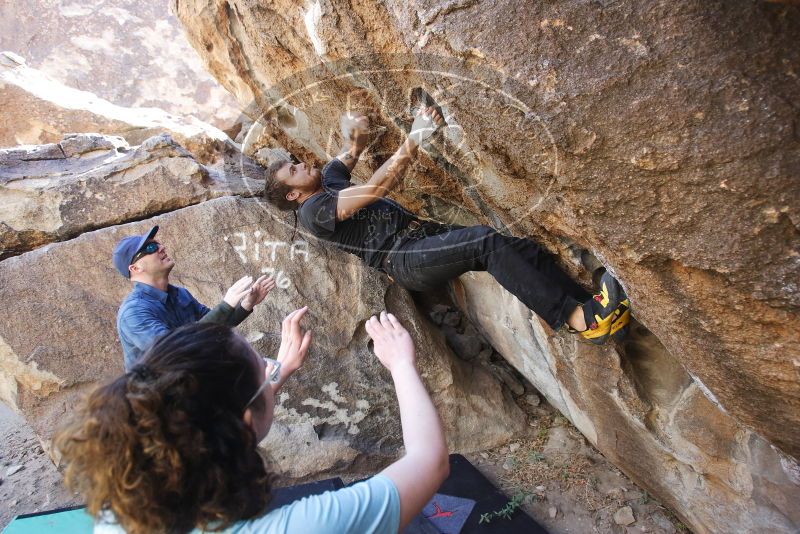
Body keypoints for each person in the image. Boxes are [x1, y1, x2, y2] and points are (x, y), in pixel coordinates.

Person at [55, 308, 449, 534]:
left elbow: (208, 416)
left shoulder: (119, 510)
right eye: (260, 363)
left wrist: (275, 374)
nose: (269, 364)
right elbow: (428, 460)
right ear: (243, 425)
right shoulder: (301, 528)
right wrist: (401, 364)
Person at [263, 109, 630, 344]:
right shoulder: (314, 212)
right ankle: (582, 320)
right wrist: (415, 136)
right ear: (294, 196)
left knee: (519, 248)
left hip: (419, 238)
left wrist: (355, 128)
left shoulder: (327, 179)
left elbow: (350, 151)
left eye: (294, 163)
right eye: (293, 171)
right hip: (402, 259)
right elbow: (376, 187)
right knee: (483, 242)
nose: (300, 165)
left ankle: (589, 308)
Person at [113, 225, 276, 370]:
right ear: (135, 268)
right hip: (160, 400)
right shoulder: (133, 312)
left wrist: (246, 305)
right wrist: (226, 305)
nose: (161, 247)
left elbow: (215, 327)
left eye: (157, 244)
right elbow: (173, 350)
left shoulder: (180, 294)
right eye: (150, 248)